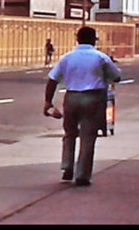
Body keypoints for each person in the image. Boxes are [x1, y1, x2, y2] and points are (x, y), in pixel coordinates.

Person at [44, 26, 121, 186]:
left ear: (77, 38)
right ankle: (82, 175)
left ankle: (67, 167)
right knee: (88, 136)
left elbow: (53, 79)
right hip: (93, 98)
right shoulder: (101, 57)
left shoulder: (67, 57)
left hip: (71, 97)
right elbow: (117, 76)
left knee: (70, 133)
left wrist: (48, 102)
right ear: (94, 39)